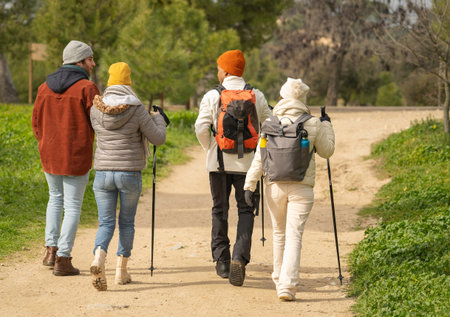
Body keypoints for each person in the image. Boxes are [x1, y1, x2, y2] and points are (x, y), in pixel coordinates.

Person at [243, 77, 335, 301]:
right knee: (295, 235)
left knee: (279, 234)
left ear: (283, 97)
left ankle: (278, 278)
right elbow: (327, 151)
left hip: (274, 185)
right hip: (302, 187)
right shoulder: (312, 123)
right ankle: (288, 285)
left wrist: (249, 184)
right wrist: (327, 125)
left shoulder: (271, 123)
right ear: (303, 98)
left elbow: (259, 157)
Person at [195, 49, 271, 286]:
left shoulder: (211, 96)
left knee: (220, 209)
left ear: (226, 70)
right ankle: (240, 257)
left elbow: (200, 127)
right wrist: (260, 151)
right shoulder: (256, 95)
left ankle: (222, 261)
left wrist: (211, 148)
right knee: (246, 210)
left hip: (218, 165)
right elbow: (269, 126)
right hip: (249, 166)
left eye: (219, 68)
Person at [88, 62, 166, 291]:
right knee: (126, 222)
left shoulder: (95, 108)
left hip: (102, 174)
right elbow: (158, 138)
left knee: (106, 222)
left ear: (110, 81)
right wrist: (158, 117)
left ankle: (99, 258)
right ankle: (121, 271)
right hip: (129, 173)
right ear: (128, 81)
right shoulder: (137, 109)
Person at [32, 40, 99, 276]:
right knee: (72, 206)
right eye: (90, 59)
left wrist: (44, 143)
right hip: (76, 155)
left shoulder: (43, 88)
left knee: (55, 199)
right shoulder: (87, 88)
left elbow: (36, 124)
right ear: (79, 61)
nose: (93, 63)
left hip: (50, 154)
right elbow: (99, 123)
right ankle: (63, 258)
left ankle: (50, 251)